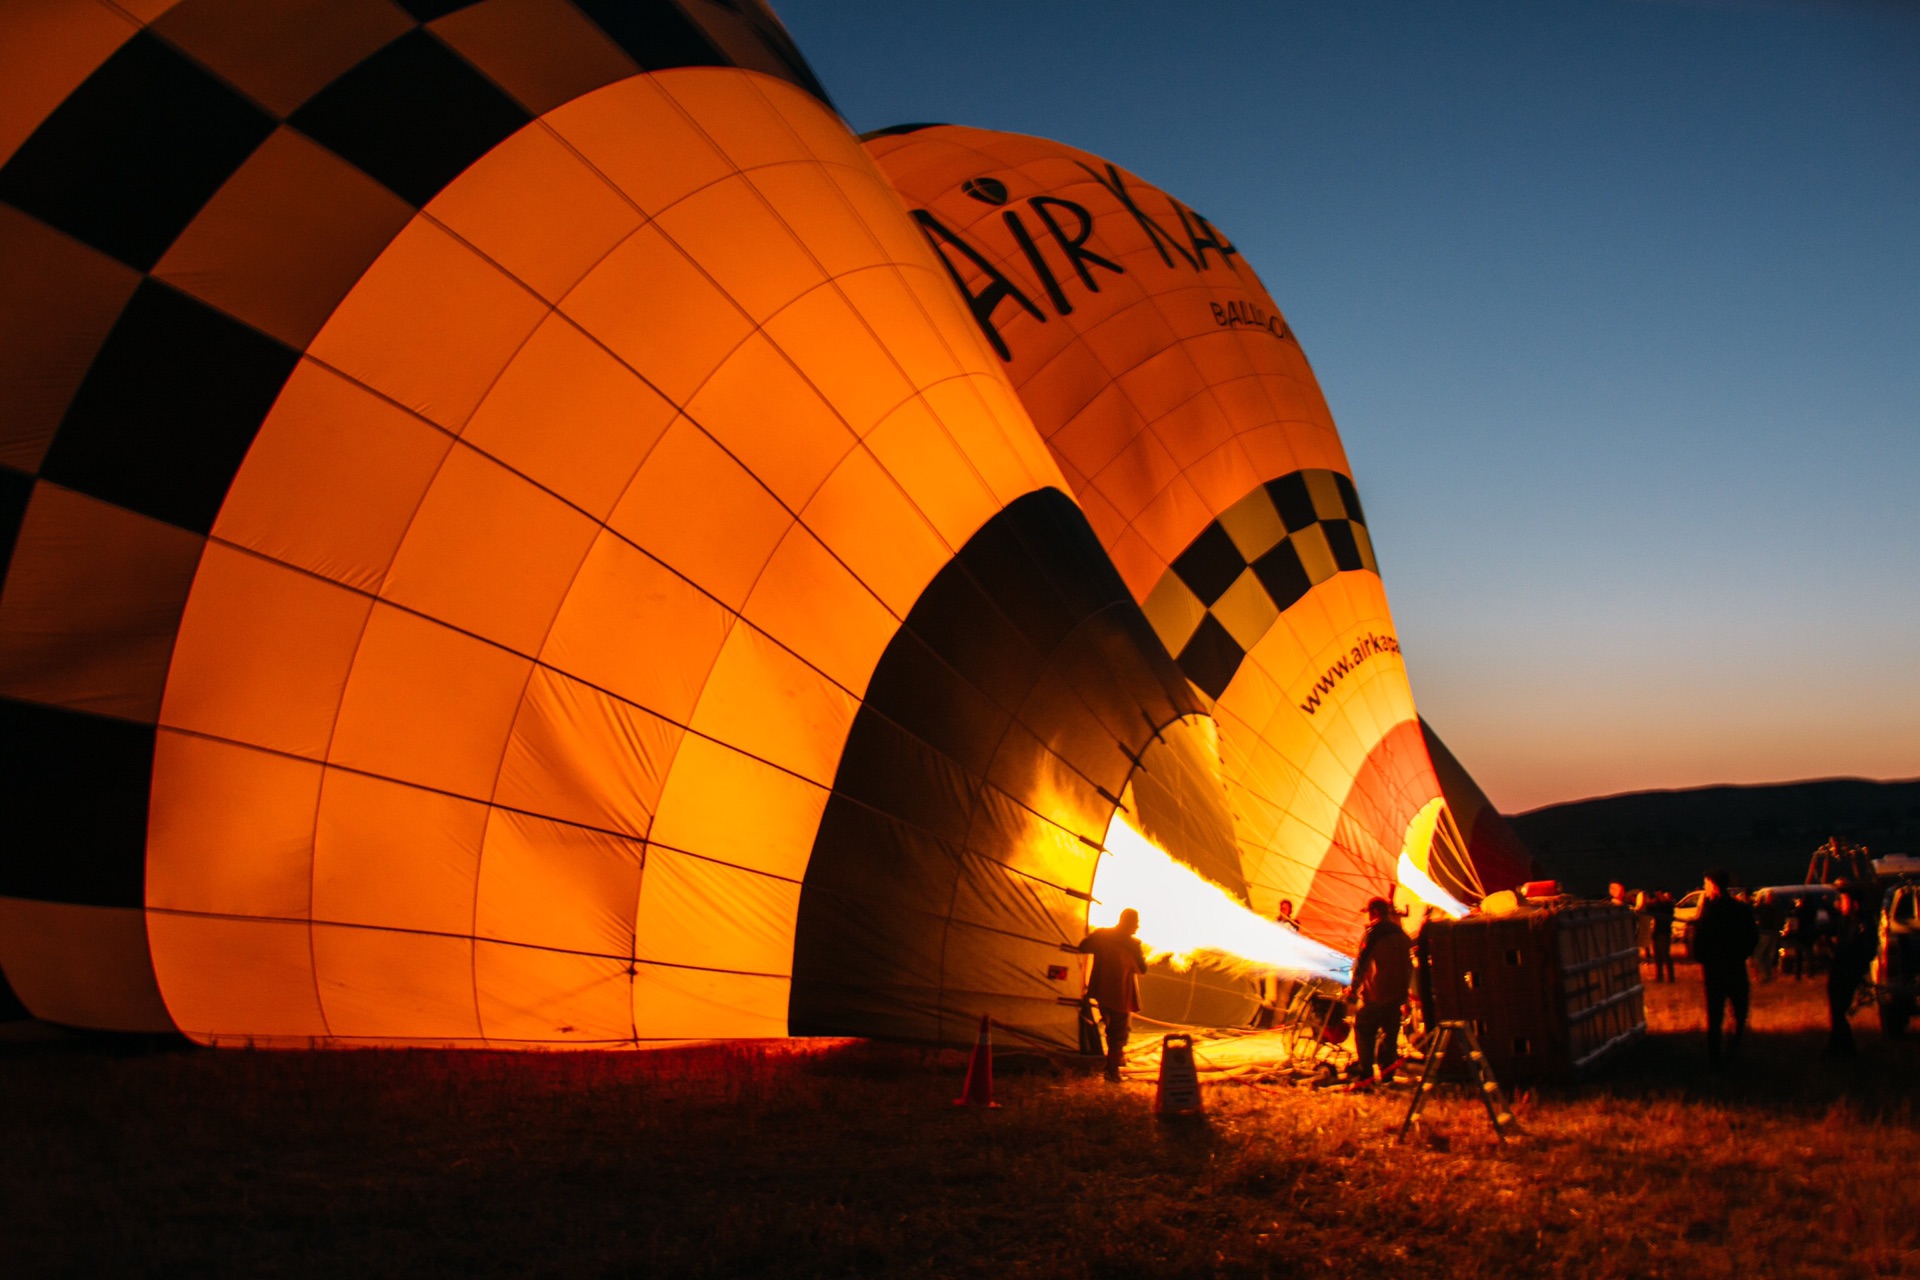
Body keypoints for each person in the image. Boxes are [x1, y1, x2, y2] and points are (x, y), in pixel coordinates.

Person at [1692, 869, 1759, 1068]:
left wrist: (1703, 958)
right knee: (1739, 1011)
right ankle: (1733, 1048)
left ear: (1712, 886)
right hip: (1735, 967)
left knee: (1715, 1016)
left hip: (1715, 971)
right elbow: (1752, 938)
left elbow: (1699, 941)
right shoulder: (1741, 909)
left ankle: (1715, 1057)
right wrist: (1742, 954)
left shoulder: (1709, 913)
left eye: (1705, 885)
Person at [1346, 897, 1413, 1083]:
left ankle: (1366, 1074)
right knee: (1390, 1036)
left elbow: (1362, 963)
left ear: (1374, 912)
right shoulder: (1401, 934)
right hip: (1397, 993)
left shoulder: (1374, 933)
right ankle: (1387, 1074)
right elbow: (1409, 965)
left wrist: (1353, 989)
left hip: (1376, 993)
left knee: (1364, 1030)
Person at [1078, 908, 1148, 1082]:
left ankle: (1113, 1064)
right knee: (1119, 1034)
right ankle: (1112, 1071)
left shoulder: (1102, 935)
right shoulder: (1133, 944)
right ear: (1129, 922)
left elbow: (1083, 947)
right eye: (1136, 923)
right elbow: (1142, 969)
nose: (1137, 927)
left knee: (1113, 1032)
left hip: (1101, 992)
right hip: (1120, 994)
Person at [1825, 884, 1876, 1056]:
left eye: (1845, 901)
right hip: (1838, 970)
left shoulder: (1863, 923)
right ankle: (1837, 1046)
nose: (1841, 904)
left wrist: (1855, 968)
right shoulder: (1845, 921)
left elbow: (1867, 949)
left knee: (1839, 1010)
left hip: (1849, 971)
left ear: (1854, 903)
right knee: (1836, 1010)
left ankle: (1847, 1049)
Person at [1648, 891, 1677, 983]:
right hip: (1657, 932)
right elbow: (1649, 910)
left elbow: (1668, 910)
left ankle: (1671, 977)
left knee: (1665, 955)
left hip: (1664, 932)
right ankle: (1659, 976)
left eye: (1662, 894)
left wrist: (1661, 901)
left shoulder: (1668, 906)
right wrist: (1652, 902)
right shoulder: (1657, 905)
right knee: (1658, 956)